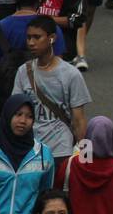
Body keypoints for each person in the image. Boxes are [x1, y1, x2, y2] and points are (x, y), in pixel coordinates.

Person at [11, 16, 89, 163]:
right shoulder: (23, 71)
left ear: (52, 38)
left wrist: (86, 160)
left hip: (61, 151)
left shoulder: (71, 74)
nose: (31, 43)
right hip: (30, 150)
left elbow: (80, 120)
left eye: (37, 37)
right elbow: (14, 111)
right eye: (28, 38)